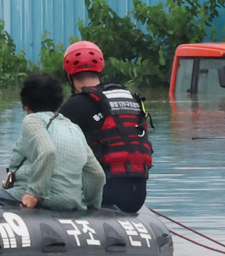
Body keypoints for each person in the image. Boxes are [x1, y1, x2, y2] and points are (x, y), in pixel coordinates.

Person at [57, 41, 153, 213]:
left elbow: (52, 151)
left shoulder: (74, 105)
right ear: (101, 69)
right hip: (137, 197)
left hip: (102, 196)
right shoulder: (130, 98)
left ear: (68, 75)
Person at [0, 72, 105, 211]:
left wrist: (34, 193)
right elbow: (97, 175)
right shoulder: (73, 127)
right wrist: (91, 207)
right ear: (58, 103)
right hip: (70, 203)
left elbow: (48, 151)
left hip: (35, 198)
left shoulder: (32, 120)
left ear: (26, 106)